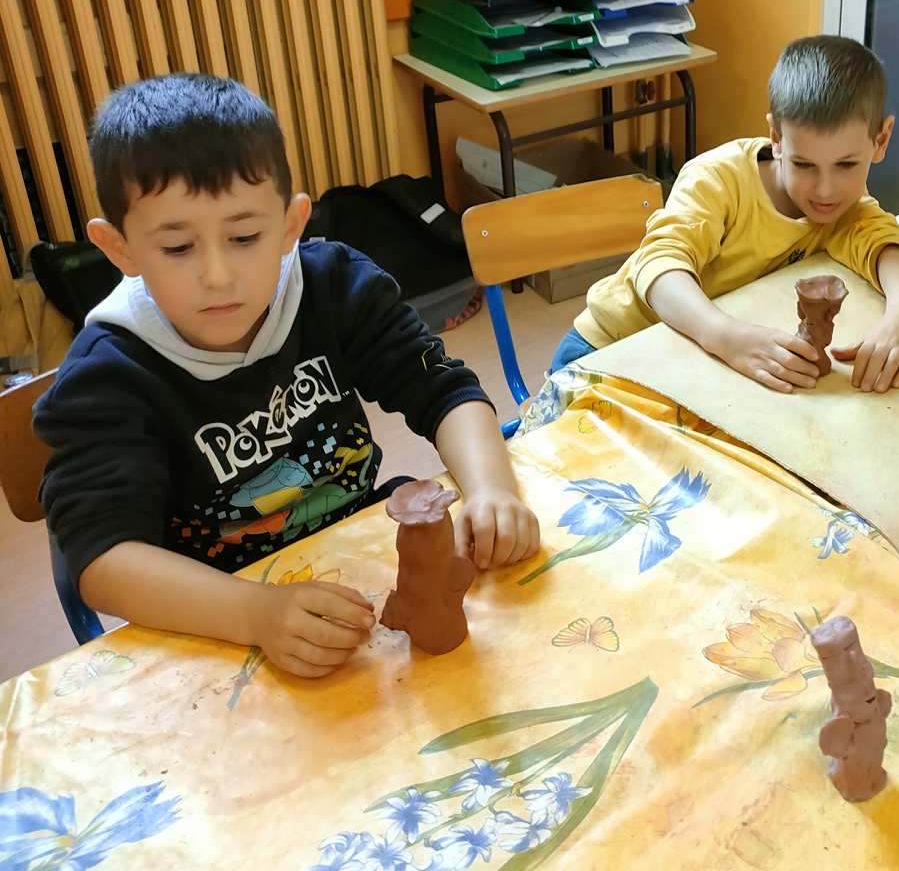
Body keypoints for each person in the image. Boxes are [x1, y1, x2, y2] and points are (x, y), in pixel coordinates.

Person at [35, 74, 540, 679]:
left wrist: (491, 489)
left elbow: (445, 391)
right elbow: (103, 561)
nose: (218, 276)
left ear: (291, 223)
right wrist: (253, 613)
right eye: (178, 248)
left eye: (245, 237)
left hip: (353, 550)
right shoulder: (108, 376)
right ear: (119, 248)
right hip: (215, 611)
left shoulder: (332, 286)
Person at [554, 35, 899, 394]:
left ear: (881, 141)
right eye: (804, 164)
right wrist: (724, 336)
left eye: (846, 165)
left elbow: (884, 243)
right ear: (776, 138)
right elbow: (659, 265)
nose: (825, 189)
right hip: (609, 347)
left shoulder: (842, 203)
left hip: (690, 362)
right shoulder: (718, 179)